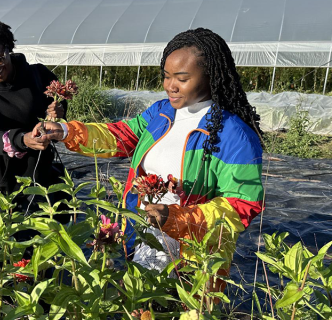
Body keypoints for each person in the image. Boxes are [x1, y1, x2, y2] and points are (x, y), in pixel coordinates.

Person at [37, 28, 264, 291]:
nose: (170, 86)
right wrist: (66, 131)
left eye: (182, 78)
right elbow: (121, 135)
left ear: (211, 76)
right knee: (139, 302)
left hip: (195, 252)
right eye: (166, 76)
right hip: (146, 233)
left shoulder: (234, 134)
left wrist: (177, 218)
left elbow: (242, 204)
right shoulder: (161, 112)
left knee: (182, 306)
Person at [0, 19, 66, 214]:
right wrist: (21, 139)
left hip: (39, 173)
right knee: (5, 240)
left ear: (8, 48)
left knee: (42, 236)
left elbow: (59, 106)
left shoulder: (38, 75)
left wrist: (57, 112)